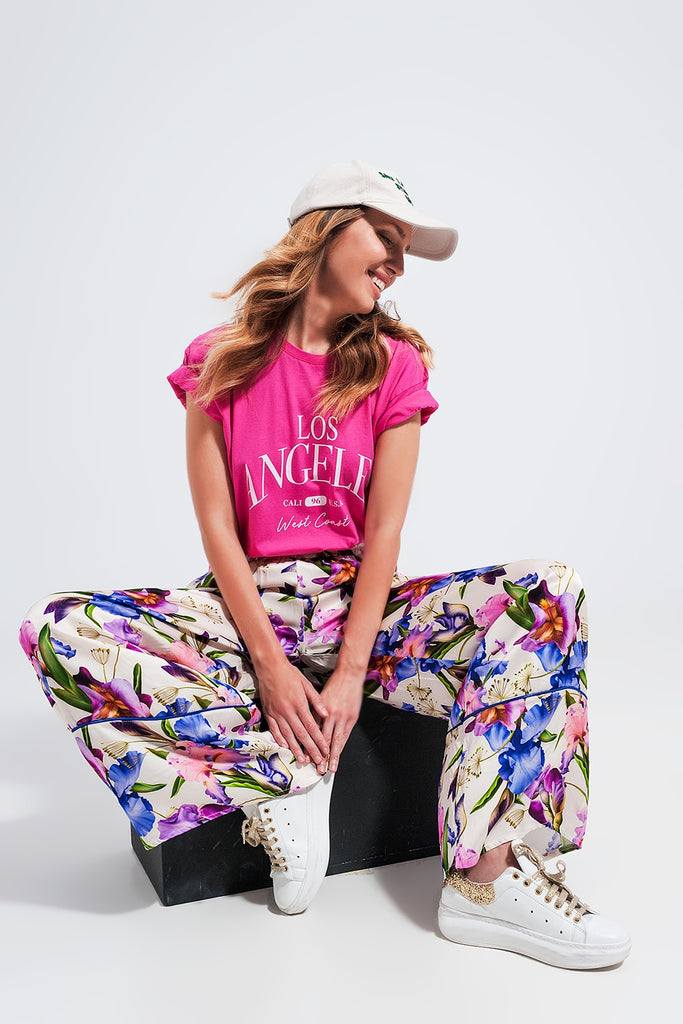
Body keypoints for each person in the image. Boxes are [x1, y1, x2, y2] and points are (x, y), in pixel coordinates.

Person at [20, 159, 630, 969]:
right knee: (58, 627)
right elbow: (217, 528)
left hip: (360, 610)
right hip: (244, 612)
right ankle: (279, 780)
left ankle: (483, 883)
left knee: (545, 591)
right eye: (385, 237)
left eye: (405, 249)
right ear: (326, 229)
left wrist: (347, 673)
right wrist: (272, 669)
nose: (397, 263)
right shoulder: (220, 358)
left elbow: (384, 534)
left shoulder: (393, 364)